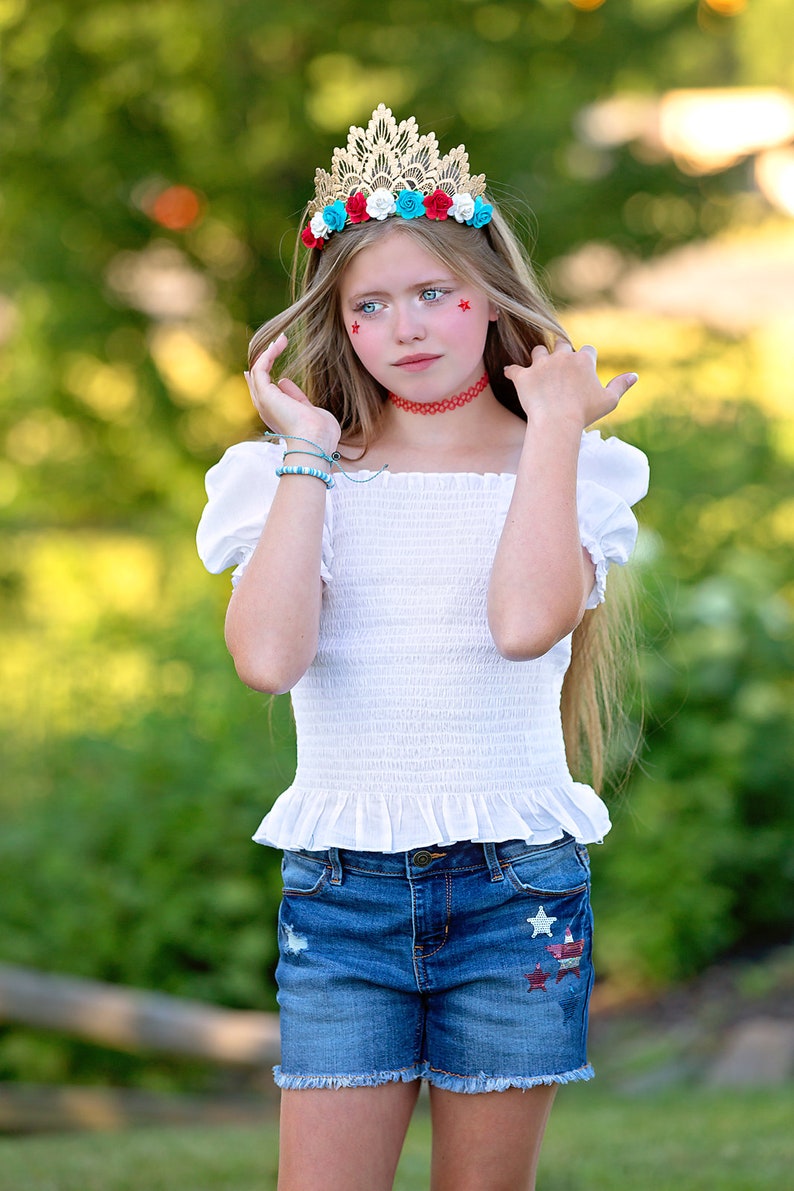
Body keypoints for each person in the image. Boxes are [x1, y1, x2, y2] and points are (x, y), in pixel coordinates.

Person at [197, 105, 649, 1191]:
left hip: (512, 896)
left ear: (487, 297)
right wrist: (307, 454)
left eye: (433, 294)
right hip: (342, 897)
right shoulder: (283, 475)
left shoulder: (574, 466)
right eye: (369, 306)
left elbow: (520, 624)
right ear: (337, 323)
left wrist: (550, 432)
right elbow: (266, 658)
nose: (404, 327)